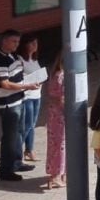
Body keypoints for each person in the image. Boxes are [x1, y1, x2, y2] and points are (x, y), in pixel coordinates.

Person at [0, 29, 38, 181]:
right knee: (9, 138)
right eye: (14, 41)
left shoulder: (14, 57)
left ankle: (17, 162)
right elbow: (4, 83)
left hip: (18, 100)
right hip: (7, 105)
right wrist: (27, 87)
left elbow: (18, 76)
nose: (17, 44)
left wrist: (29, 82)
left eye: (18, 41)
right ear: (4, 41)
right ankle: (5, 171)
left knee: (19, 132)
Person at [16, 35, 46, 164]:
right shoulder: (19, 60)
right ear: (24, 45)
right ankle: (17, 151)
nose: (35, 45)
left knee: (32, 125)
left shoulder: (34, 59)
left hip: (36, 95)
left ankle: (29, 150)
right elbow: (18, 79)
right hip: (26, 96)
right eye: (32, 43)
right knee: (26, 125)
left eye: (36, 43)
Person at [44, 54, 66, 189]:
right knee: (61, 145)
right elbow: (63, 99)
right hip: (61, 115)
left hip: (53, 114)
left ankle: (58, 172)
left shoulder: (54, 75)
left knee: (54, 143)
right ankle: (56, 175)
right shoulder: (62, 76)